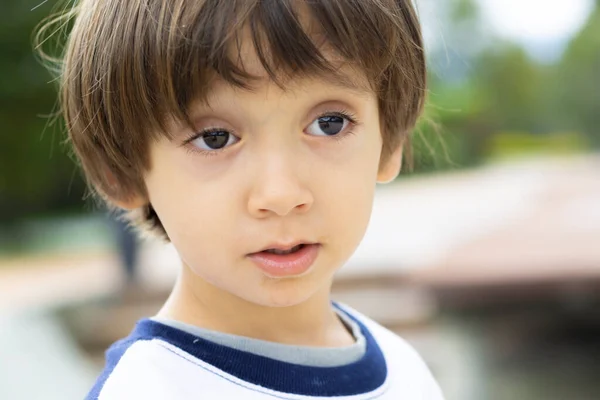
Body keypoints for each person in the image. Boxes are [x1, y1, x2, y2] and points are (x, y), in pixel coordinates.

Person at [39, 0, 444, 398]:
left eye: (329, 123)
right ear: (122, 172)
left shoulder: (406, 371)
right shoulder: (147, 389)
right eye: (215, 138)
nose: (281, 195)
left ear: (389, 141)